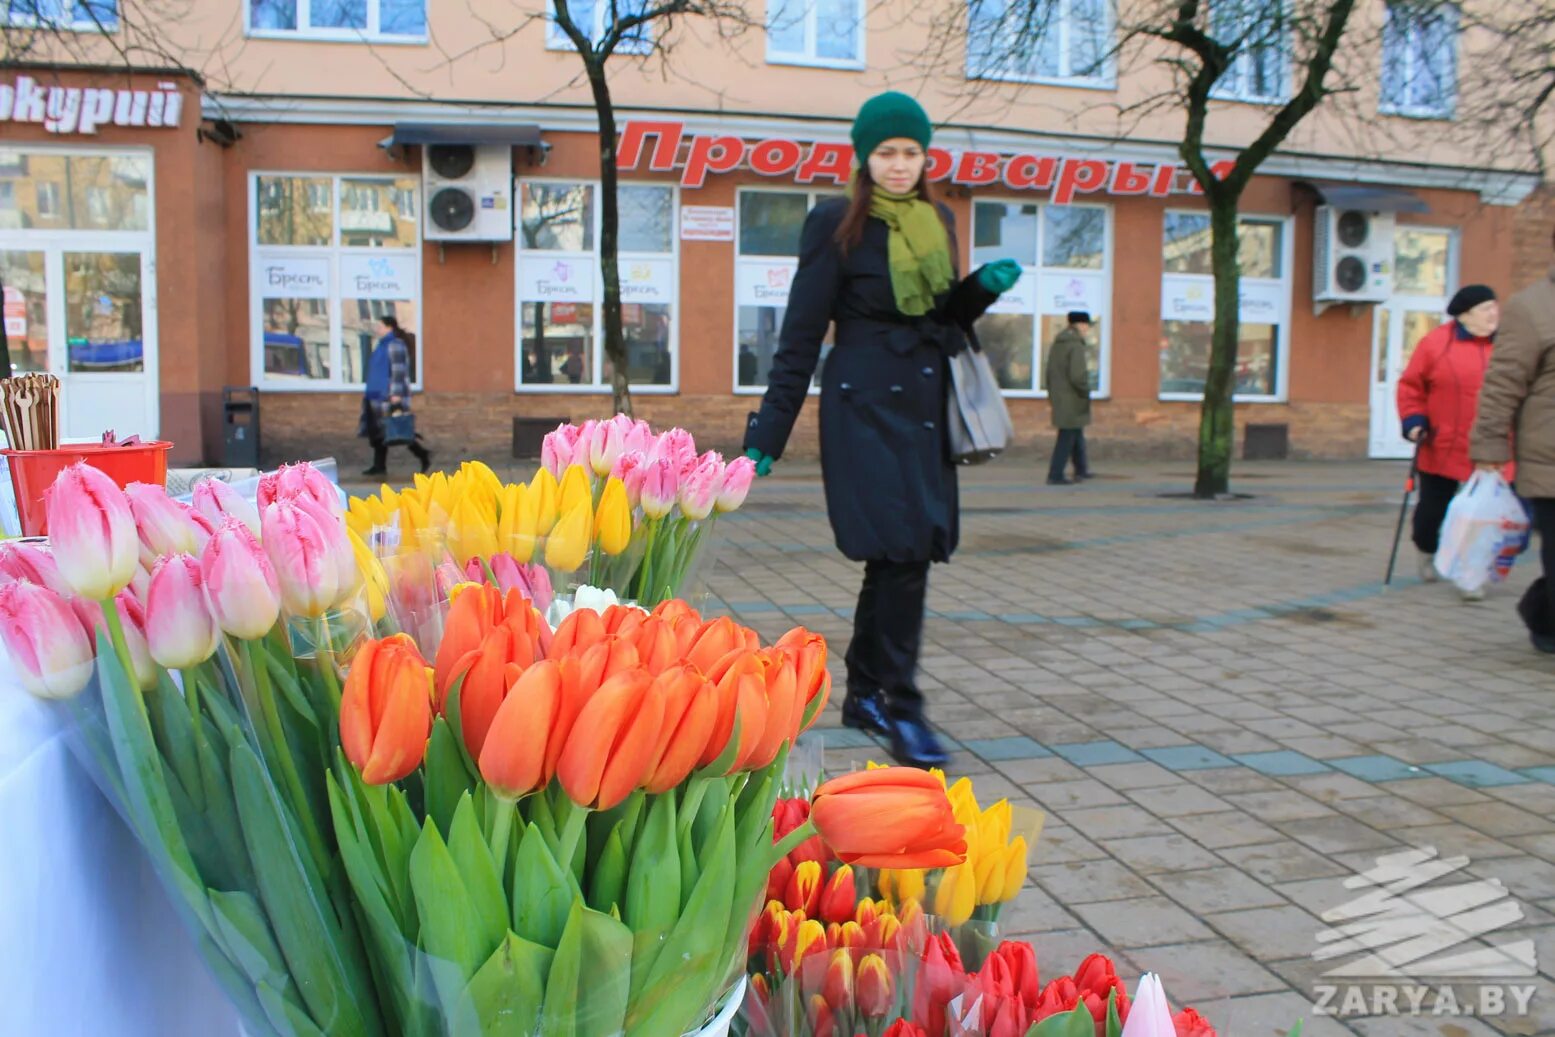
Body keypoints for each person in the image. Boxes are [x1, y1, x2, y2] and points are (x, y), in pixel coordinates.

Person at [740, 91, 1024, 768]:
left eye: (911, 152)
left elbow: (943, 318)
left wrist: (979, 289)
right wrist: (767, 433)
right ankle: (903, 707)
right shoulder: (834, 223)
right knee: (900, 553)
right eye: (887, 153)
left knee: (903, 555)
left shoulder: (937, 219)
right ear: (864, 158)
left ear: (926, 157)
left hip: (923, 406)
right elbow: (800, 336)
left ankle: (865, 692)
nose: (899, 165)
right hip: (863, 410)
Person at [1471, 254, 1555, 653]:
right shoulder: (1533, 307)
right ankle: (1545, 620)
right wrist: (1489, 444)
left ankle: (1545, 616)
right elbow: (1502, 383)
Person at [1397, 284, 1501, 599]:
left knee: (1481, 515)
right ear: (1465, 315)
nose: (1494, 313)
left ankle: (1471, 576)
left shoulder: (1509, 345)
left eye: (1495, 306)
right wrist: (1414, 421)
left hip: (1491, 447)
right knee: (1432, 513)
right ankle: (1427, 549)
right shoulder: (1436, 343)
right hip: (1443, 443)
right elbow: (1411, 386)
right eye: (1486, 308)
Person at [359, 315, 431, 477]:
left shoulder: (395, 345)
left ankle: (423, 454)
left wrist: (396, 394)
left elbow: (399, 371)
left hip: (388, 396)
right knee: (377, 433)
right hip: (375, 395)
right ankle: (379, 465)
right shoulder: (381, 345)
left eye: (380, 326)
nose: (377, 329)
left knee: (398, 429)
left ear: (389, 327)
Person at [1045, 311, 1094, 485]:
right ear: (1079, 325)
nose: (1087, 329)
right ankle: (1055, 474)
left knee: (1076, 433)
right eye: (1086, 325)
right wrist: (1085, 391)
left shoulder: (1059, 343)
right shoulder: (1075, 345)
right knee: (1066, 437)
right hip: (1072, 398)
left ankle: (1081, 469)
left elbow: (1049, 373)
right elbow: (1077, 376)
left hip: (1060, 397)